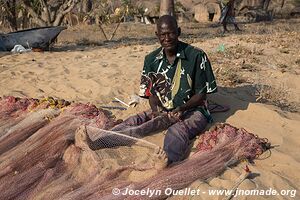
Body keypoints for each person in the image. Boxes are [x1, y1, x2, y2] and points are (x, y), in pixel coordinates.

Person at [86, 15, 217, 167]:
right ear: (157, 36)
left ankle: (168, 160)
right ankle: (101, 141)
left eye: (171, 33)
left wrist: (182, 108)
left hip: (193, 109)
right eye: (163, 34)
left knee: (178, 131)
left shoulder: (196, 56)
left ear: (179, 32)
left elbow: (201, 95)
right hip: (165, 110)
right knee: (135, 122)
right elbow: (152, 94)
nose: (167, 38)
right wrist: (156, 110)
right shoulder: (151, 60)